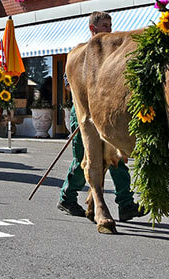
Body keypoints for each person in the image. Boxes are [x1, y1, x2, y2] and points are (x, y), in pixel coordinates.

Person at [58, 12, 141, 222]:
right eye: (105, 25)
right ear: (93, 29)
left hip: (106, 113)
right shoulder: (82, 54)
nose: (109, 30)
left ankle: (125, 203)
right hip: (84, 112)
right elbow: (69, 86)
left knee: (116, 160)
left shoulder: (111, 54)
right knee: (83, 159)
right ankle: (67, 196)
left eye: (110, 25)